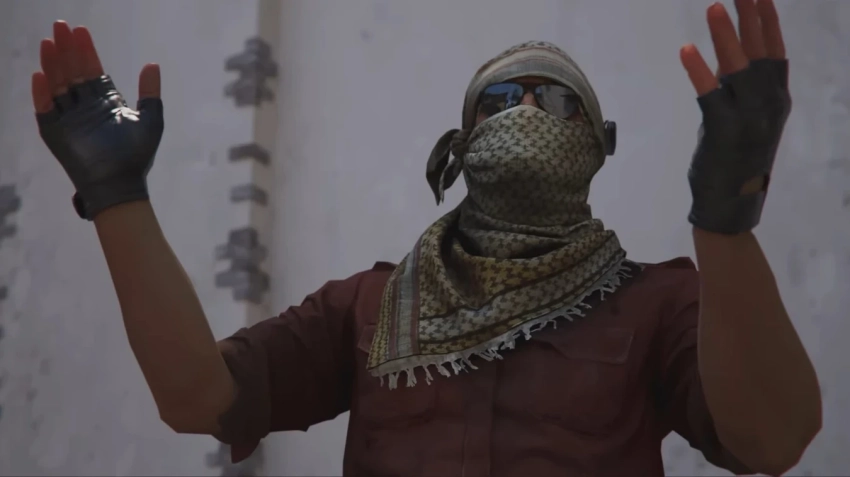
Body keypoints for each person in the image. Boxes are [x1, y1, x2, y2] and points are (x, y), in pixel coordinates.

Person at [31, 0, 820, 475]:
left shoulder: (660, 303)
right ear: (460, 146)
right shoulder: (369, 308)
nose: (527, 111)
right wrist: (118, 198)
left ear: (597, 144)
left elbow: (774, 439)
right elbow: (198, 396)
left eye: (556, 101)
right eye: (501, 101)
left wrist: (726, 213)